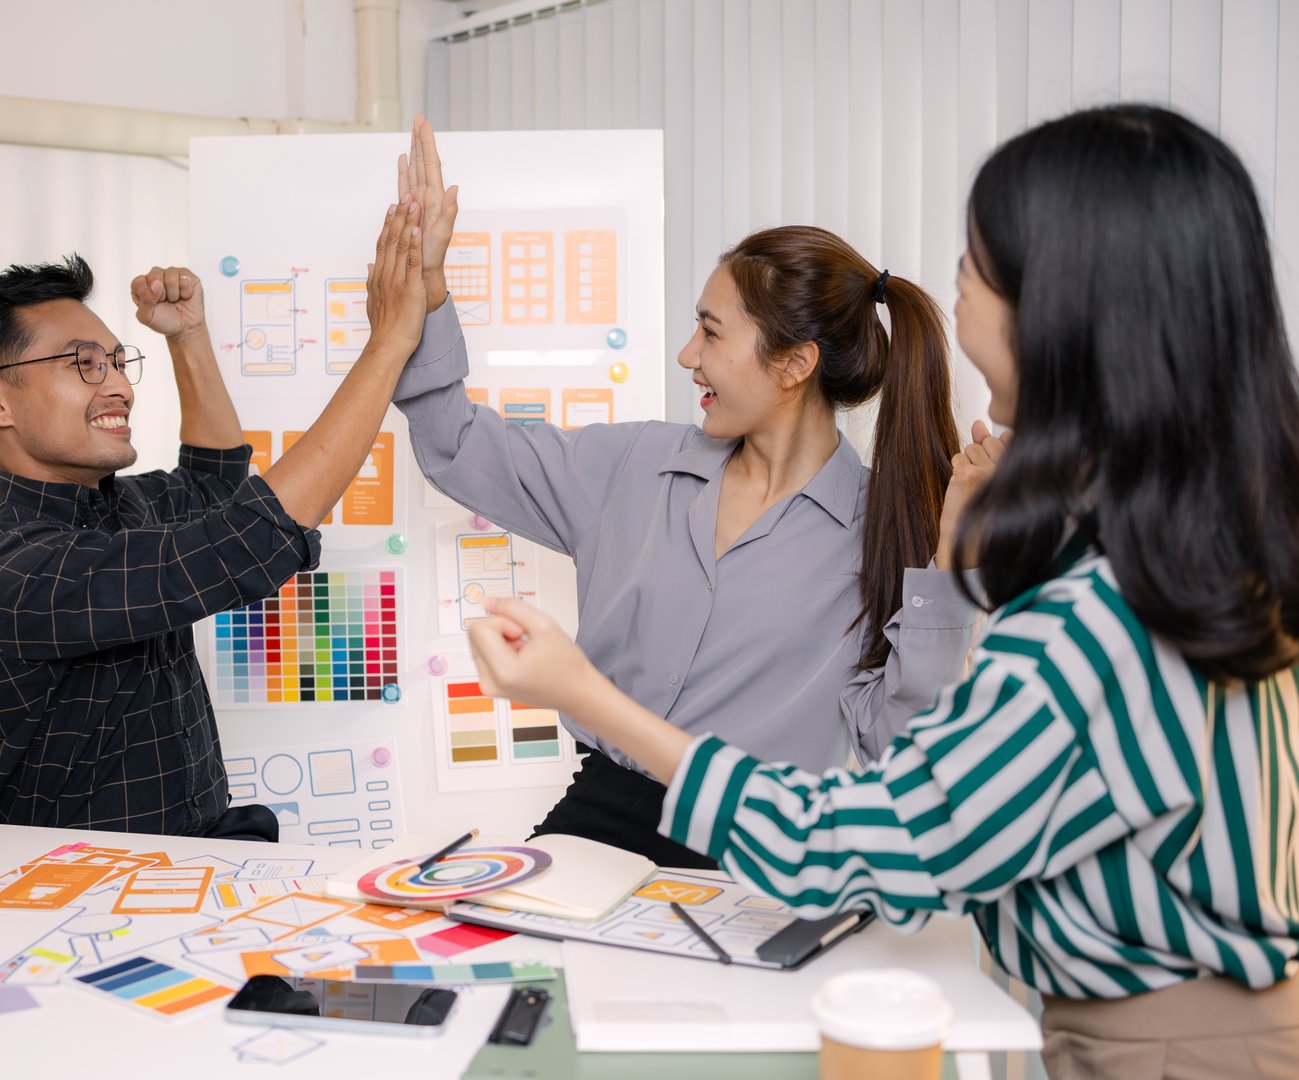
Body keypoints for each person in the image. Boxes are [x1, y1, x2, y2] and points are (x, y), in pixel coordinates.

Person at [467, 104, 1299, 1077]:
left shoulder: (1091, 620)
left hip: (1169, 1047)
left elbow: (855, 839)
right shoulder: (1196, 562)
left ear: (1064, 310)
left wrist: (583, 694)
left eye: (977, 264)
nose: (956, 288)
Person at [392, 117, 1002, 866]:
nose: (688, 355)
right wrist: (427, 289)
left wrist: (952, 565)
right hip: (599, 822)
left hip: (763, 854)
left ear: (794, 365)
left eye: (711, 333)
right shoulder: (633, 465)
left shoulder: (884, 529)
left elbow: (898, 747)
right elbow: (455, 444)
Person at [0, 201, 426, 837]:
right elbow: (247, 537)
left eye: (118, 362)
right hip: (79, 880)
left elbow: (215, 483)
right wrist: (389, 344)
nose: (119, 387)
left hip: (190, 861)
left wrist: (187, 336)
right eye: (84, 363)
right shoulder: (8, 569)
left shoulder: (122, 507)